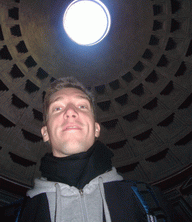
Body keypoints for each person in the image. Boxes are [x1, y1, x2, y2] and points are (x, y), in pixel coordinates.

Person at [18, 77, 178, 222]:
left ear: (96, 129)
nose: (71, 112)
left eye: (82, 106)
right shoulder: (19, 215)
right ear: (45, 133)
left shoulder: (150, 201)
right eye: (58, 108)